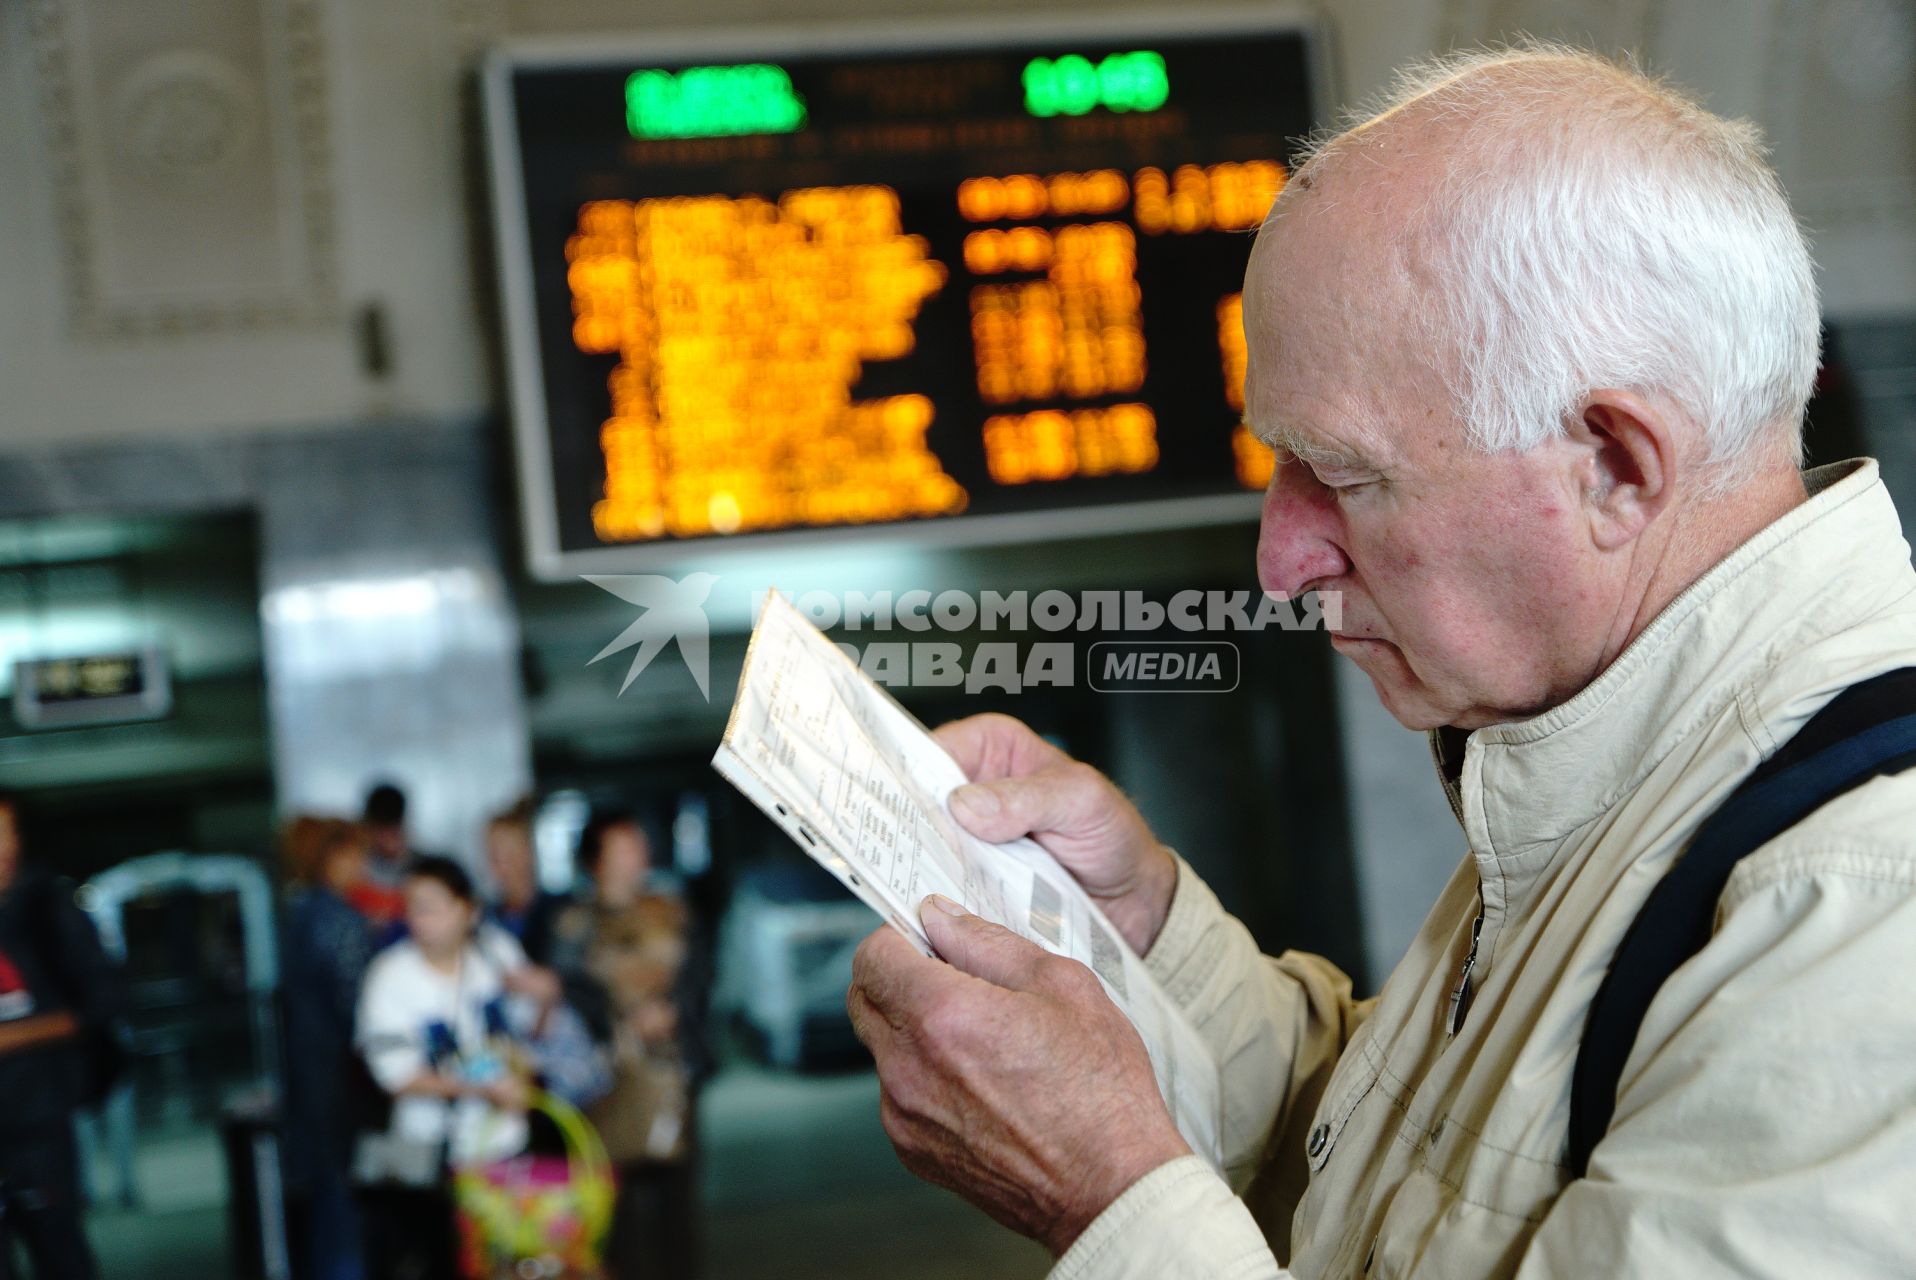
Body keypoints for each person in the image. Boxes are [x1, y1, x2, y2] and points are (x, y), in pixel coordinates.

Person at [845, 45, 1916, 1278]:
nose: (1281, 561)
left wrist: (1111, 1202)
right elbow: (1425, 1177)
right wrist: (1138, 933)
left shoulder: (1861, 901)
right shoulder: (1642, 757)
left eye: (1341, 476)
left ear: (1614, 466)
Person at [353, 856, 558, 1280]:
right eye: (411, 907)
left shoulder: (496, 952)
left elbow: (528, 1039)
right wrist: (485, 1090)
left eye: (430, 907)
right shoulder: (390, 975)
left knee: (510, 1262)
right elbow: (395, 1077)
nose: (418, 919)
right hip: (430, 1156)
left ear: (468, 910)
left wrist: (547, 999)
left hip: (504, 1147)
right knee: (441, 1262)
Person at [546, 813, 701, 1280]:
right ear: (596, 860)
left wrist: (672, 1010)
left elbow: (700, 976)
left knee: (677, 1199)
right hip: (603, 1079)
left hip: (671, 1073)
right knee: (615, 1202)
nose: (639, 857)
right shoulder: (572, 926)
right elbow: (567, 992)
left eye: (639, 846)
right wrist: (620, 1020)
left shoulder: (671, 910)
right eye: (624, 848)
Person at [0, 792, 121, 1280]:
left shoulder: (45, 909)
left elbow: (103, 999)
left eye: (8, 832)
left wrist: (15, 1037)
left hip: (38, 1123)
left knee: (60, 1252)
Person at [279, 817, 376, 1280]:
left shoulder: (301, 914)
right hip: (340, 1090)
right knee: (344, 1221)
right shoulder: (340, 922)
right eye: (355, 853)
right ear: (331, 858)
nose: (364, 864)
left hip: (309, 1087)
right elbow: (359, 1013)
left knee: (321, 1217)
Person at [482, 802, 565, 965]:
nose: (501, 866)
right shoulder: (485, 919)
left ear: (528, 853)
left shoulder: (562, 911)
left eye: (509, 854)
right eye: (494, 855)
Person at [352, 782, 426, 932]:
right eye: (381, 832)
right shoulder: (355, 868)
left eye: (393, 832)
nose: (387, 840)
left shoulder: (423, 867)